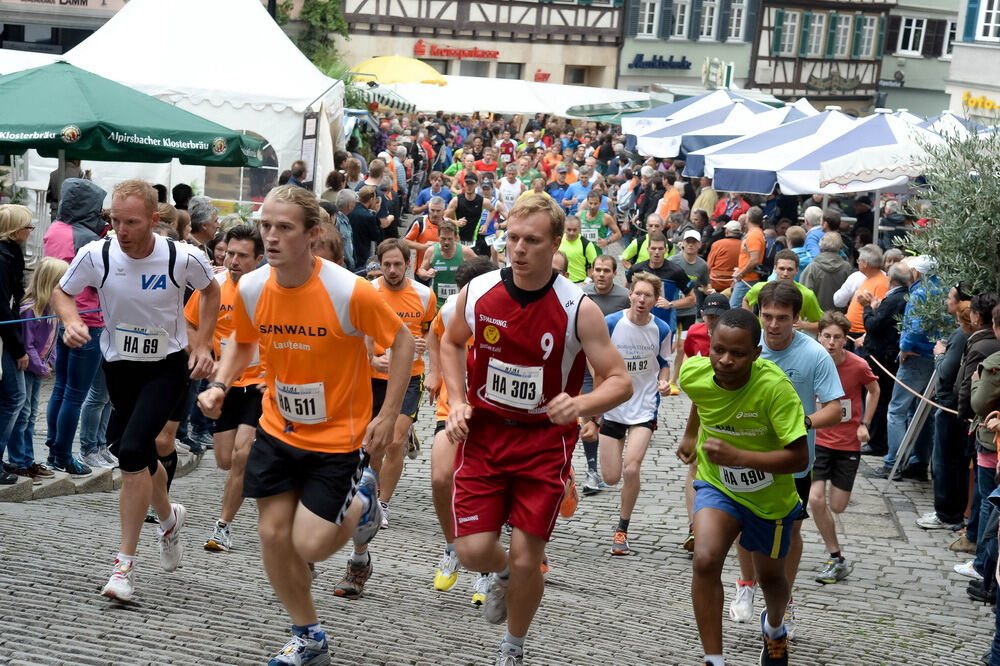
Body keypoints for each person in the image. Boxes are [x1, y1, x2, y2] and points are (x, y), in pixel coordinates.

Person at [197, 184, 410, 664]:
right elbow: (244, 342)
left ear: (312, 235)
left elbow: (399, 343)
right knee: (273, 537)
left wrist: (388, 413)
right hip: (278, 427)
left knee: (309, 542)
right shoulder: (252, 287)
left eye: (284, 228)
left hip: (339, 439)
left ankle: (365, 502)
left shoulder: (347, 290)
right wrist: (221, 384)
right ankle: (309, 635)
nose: (270, 237)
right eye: (266, 226)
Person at [440, 194, 632, 666]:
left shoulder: (577, 308)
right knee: (472, 550)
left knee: (529, 557)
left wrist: (581, 403)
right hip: (484, 437)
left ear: (555, 245)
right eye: (512, 238)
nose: (519, 249)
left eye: (532, 240)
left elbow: (621, 380)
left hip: (543, 444)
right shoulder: (480, 290)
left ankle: (514, 648)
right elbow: (448, 341)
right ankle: (503, 574)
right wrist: (459, 401)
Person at [52, 179, 222, 603]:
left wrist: (202, 343)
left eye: (131, 222)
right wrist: (71, 321)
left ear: (154, 220)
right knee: (140, 453)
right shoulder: (98, 254)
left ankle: (123, 568)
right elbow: (61, 291)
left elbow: (211, 290)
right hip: (119, 365)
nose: (120, 230)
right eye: (114, 220)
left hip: (167, 366)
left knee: (130, 452)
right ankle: (169, 518)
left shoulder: (182, 257)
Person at [676, 307, 807, 666]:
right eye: (719, 350)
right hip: (719, 486)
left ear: (756, 354)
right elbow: (702, 398)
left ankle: (776, 627)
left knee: (770, 579)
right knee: (704, 559)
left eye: (737, 353)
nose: (725, 360)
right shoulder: (693, 373)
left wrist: (739, 456)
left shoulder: (775, 388)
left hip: (771, 500)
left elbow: (799, 458)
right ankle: (713, 659)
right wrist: (690, 435)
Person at [728, 281, 843, 638]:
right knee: (744, 523)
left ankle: (785, 600)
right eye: (767, 317)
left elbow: (836, 410)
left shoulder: (814, 355)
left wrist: (801, 422)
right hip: (747, 454)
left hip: (794, 460)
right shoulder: (748, 347)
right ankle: (746, 584)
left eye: (782, 318)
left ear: (797, 318)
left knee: (791, 532)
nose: (773, 325)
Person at [183, 225, 266, 553]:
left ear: (258, 259)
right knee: (223, 460)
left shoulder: (268, 289)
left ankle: (223, 526)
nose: (233, 261)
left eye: (243, 256)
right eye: (230, 253)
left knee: (242, 456)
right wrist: (202, 352)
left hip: (258, 386)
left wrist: (274, 376)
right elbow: (189, 322)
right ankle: (259, 469)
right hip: (223, 384)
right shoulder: (212, 287)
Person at [424, 256, 498, 599]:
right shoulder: (452, 310)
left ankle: (485, 566)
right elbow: (435, 336)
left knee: (487, 490)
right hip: (452, 406)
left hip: (492, 413)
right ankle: (452, 546)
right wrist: (435, 372)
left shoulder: (506, 312)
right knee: (441, 477)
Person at [363, 238, 436, 532]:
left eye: (398, 264)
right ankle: (372, 490)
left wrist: (424, 346)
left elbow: (432, 331)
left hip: (410, 376)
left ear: (409, 264)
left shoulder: (423, 294)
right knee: (374, 444)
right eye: (386, 264)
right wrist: (371, 359)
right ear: (379, 265)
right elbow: (358, 333)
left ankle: (383, 503)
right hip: (375, 378)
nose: (392, 270)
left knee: (393, 442)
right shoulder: (368, 292)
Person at [601, 272, 672, 556]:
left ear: (656, 300)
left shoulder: (663, 329)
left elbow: (664, 362)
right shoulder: (611, 324)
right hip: (613, 405)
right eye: (638, 294)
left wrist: (665, 381)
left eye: (648, 296)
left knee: (631, 468)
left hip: (644, 406)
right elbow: (596, 361)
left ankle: (622, 529)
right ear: (630, 294)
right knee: (610, 477)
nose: (642, 300)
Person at [42, 179, 109, 475]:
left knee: (60, 388)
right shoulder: (87, 238)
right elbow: (99, 279)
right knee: (75, 394)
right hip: (88, 321)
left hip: (60, 315)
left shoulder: (54, 229)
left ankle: (53, 447)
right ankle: (63, 455)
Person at [809, 311, 879, 584]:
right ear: (819, 336)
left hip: (848, 442)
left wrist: (866, 423)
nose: (831, 342)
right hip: (820, 440)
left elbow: (874, 391)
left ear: (845, 339)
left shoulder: (858, 365)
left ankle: (836, 555)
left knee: (837, 506)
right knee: (815, 499)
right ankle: (836, 556)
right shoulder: (814, 363)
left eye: (837, 337)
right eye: (826, 336)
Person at [879, 256, 939, 479]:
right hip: (934, 357)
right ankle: (918, 462)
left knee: (897, 410)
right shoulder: (942, 289)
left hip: (916, 357)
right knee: (923, 412)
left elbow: (913, 327)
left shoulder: (920, 293)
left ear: (916, 273)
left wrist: (904, 347)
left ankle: (893, 462)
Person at [9, 258, 67, 483]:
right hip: (28, 368)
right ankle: (18, 460)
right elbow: (28, 344)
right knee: (22, 415)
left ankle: (28, 459)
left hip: (39, 368)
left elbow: (52, 340)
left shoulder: (51, 308)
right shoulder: (29, 310)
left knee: (31, 414)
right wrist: (42, 366)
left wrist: (50, 361)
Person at [0, 205, 35, 484]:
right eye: (28, 226)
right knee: (14, 397)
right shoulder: (3, 258)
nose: (30, 231)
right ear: (15, 230)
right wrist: (19, 349)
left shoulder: (12, 254)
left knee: (12, 398)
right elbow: (3, 307)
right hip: (5, 339)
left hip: (8, 335)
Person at [624, 232, 695, 333]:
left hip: (665, 326)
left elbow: (692, 299)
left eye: (660, 248)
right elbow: (626, 291)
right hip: (637, 324)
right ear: (647, 249)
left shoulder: (676, 271)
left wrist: (670, 304)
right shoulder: (636, 269)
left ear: (665, 250)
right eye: (653, 248)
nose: (657, 252)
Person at [668, 229, 710, 392]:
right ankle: (659, 376)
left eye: (694, 242)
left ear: (699, 245)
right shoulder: (673, 261)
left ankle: (673, 381)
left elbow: (706, 285)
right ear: (682, 244)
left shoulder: (702, 265)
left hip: (689, 312)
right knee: (668, 347)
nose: (690, 245)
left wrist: (708, 291)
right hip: (672, 310)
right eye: (688, 242)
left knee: (681, 347)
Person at [743, 250, 823, 334]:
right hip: (763, 339)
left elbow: (823, 325)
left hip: (791, 341)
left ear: (796, 270)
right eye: (781, 268)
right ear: (775, 268)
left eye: (790, 269)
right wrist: (752, 324)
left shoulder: (807, 294)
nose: (785, 273)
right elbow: (746, 300)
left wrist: (804, 325)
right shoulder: (760, 288)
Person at [416, 219, 477, 308]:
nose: (446, 242)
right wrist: (426, 274)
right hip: (437, 302)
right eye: (443, 239)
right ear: (438, 236)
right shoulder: (431, 251)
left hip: (459, 302)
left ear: (456, 237)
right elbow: (420, 271)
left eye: (450, 239)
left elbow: (482, 267)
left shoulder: (465, 251)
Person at [800, 232, 853, 313]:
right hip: (839, 318)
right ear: (839, 248)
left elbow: (804, 296)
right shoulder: (847, 268)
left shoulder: (812, 268)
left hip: (815, 319)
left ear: (820, 247)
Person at [730, 207, 765, 309]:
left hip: (748, 279)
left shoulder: (754, 235)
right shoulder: (755, 233)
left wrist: (741, 274)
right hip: (746, 277)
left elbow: (754, 260)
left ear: (747, 218)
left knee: (734, 308)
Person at [558, 216, 597, 284]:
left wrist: (587, 281)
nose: (571, 233)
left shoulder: (586, 244)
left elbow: (595, 265)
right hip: (561, 282)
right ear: (564, 229)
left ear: (579, 229)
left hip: (580, 283)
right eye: (569, 229)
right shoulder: (558, 241)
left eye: (574, 230)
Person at [707, 220, 742, 294]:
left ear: (726, 231)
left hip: (716, 282)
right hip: (734, 283)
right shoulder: (744, 245)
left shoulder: (717, 244)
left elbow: (709, 265)